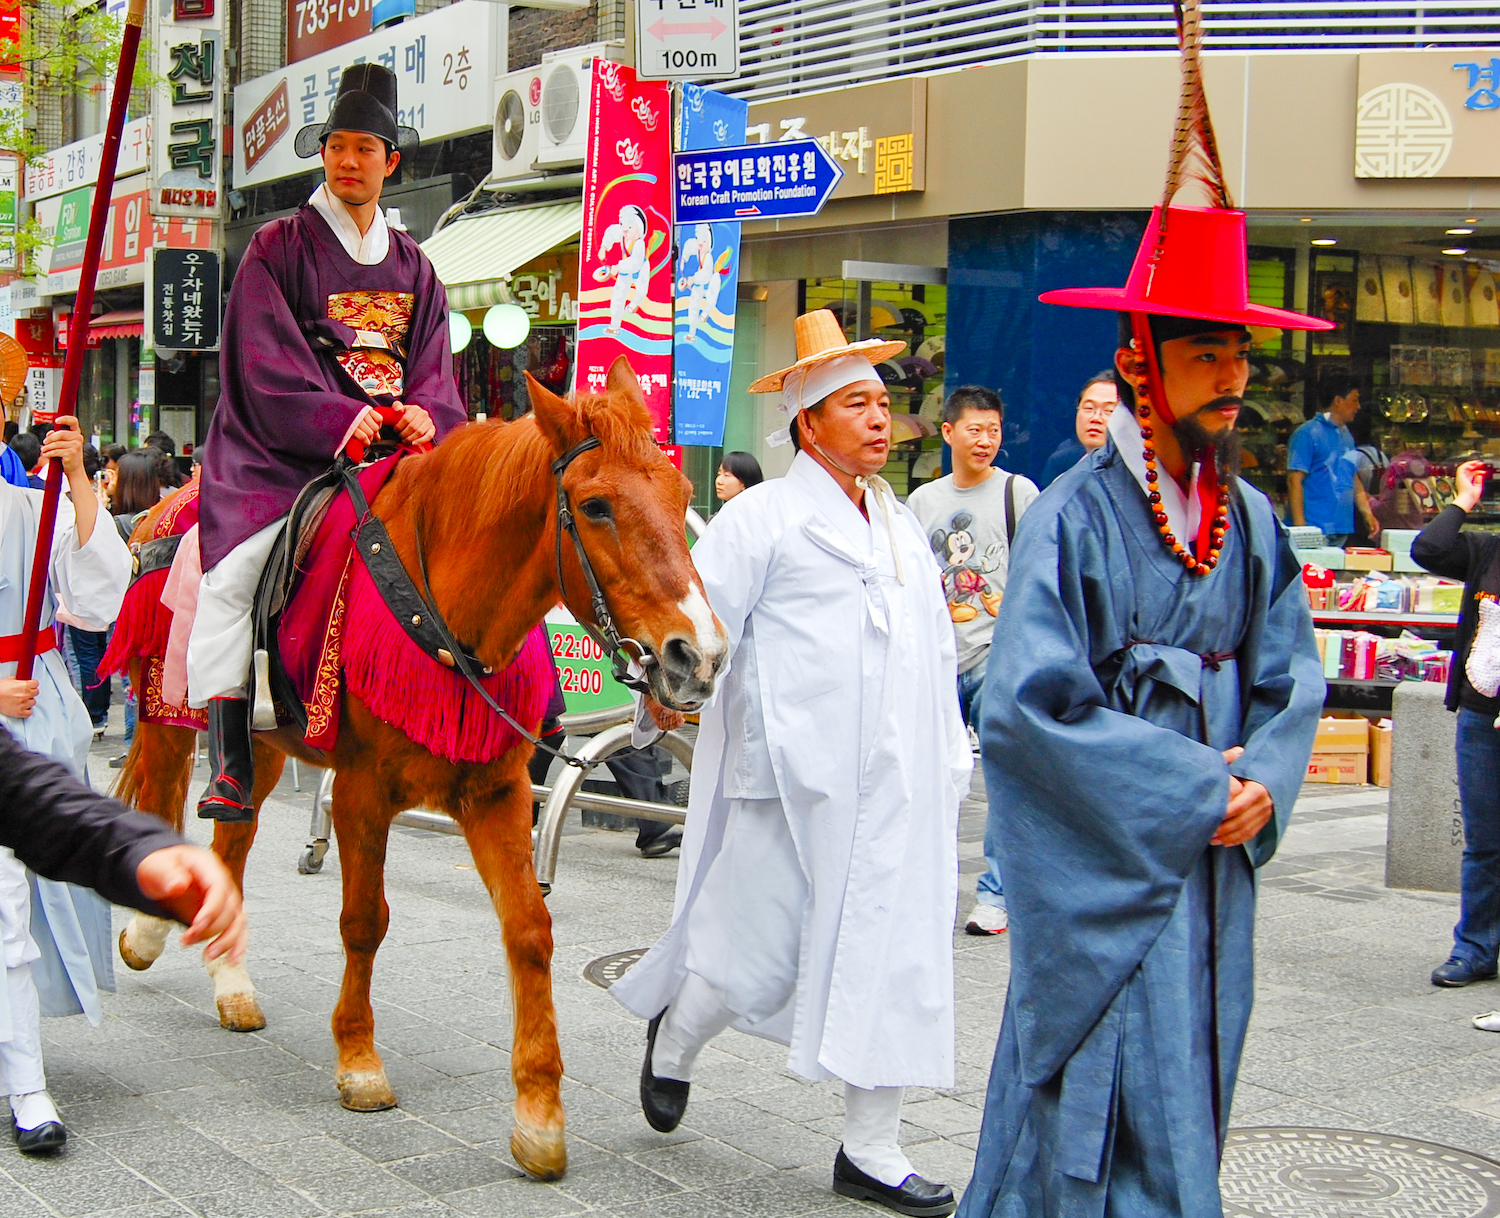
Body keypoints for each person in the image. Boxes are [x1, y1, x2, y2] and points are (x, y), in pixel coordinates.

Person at [958, 15, 1328, 1211]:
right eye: (1209, 352)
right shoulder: (1070, 517)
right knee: (1093, 1087)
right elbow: (1023, 710)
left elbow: (1292, 671)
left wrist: (1266, 774)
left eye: (1242, 353)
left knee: (1197, 1068)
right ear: (1139, 355)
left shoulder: (1255, 518)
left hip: (1219, 840)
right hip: (1116, 848)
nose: (1233, 375)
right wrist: (1185, 789)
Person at [613, 309, 971, 1217]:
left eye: (885, 403)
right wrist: (662, 700)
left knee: (895, 959)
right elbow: (697, 635)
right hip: (787, 782)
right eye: (856, 404)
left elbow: (932, 652)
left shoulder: (900, 525)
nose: (881, 419)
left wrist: (949, 755)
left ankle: (872, 1147)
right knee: (748, 963)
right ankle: (675, 1044)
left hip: (893, 791)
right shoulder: (761, 518)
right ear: (808, 425)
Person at [187, 63, 465, 821]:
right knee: (234, 575)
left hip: (393, 461)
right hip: (286, 459)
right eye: (338, 146)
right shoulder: (277, 248)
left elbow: (435, 367)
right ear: (322, 155)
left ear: (391, 161)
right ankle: (232, 760)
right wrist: (338, 417)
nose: (349, 161)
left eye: (365, 149)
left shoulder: (419, 267)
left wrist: (426, 416)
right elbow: (260, 361)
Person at [0, 416, 135, 1152]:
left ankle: (28, 1083)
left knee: (10, 912)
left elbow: (96, 596)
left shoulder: (31, 508)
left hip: (29, 727)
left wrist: (79, 476)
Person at [908, 386, 1038, 937]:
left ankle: (996, 895)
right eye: (974, 430)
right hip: (939, 660)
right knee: (926, 781)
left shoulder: (1018, 492)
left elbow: (1036, 571)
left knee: (1006, 782)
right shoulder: (923, 502)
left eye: (994, 430)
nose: (985, 441)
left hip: (995, 656)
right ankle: (924, 891)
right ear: (948, 433)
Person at [1406, 462, 1500, 991]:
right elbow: (1429, 549)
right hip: (1481, 716)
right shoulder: (1487, 551)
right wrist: (1464, 499)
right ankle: (1475, 948)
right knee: (1485, 842)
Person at [1286, 373, 1380, 545]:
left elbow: (1353, 476)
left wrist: (1367, 513)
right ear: (1338, 400)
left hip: (1341, 527)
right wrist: (1301, 529)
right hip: (1314, 526)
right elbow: (1294, 480)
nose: (1358, 406)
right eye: (1354, 400)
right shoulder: (1307, 434)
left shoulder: (1346, 435)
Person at [1040, 371, 1119, 488]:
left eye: (1109, 410)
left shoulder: (1142, 478)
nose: (1096, 418)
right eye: (1088, 408)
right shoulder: (1062, 477)